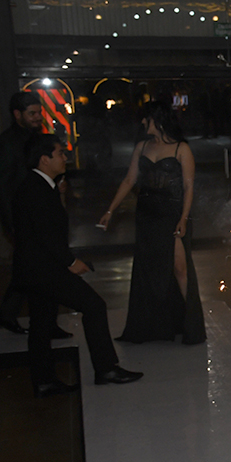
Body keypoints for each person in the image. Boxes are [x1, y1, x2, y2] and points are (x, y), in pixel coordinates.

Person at [13, 134, 143, 397]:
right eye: (60, 153)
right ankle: (106, 368)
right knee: (94, 306)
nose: (65, 158)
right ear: (44, 159)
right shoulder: (36, 190)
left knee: (41, 323)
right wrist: (71, 262)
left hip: (34, 269)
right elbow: (46, 235)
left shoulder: (38, 185)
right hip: (45, 270)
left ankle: (44, 381)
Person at [98, 101, 206, 344]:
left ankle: (192, 326)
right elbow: (129, 180)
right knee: (148, 269)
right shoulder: (142, 146)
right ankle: (153, 326)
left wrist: (183, 218)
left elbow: (188, 187)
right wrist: (110, 210)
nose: (142, 123)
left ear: (157, 120)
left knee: (180, 268)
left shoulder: (181, 148)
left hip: (172, 213)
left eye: (146, 119)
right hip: (147, 214)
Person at [0, 91, 73, 339]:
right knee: (38, 269)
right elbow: (1, 189)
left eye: (39, 113)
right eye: (32, 113)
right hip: (25, 217)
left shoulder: (38, 139)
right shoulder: (5, 144)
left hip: (40, 213)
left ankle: (17, 317)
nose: (38, 117)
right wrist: (11, 226)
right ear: (18, 115)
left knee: (32, 269)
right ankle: (37, 322)